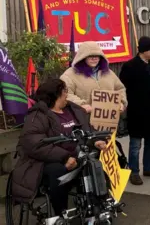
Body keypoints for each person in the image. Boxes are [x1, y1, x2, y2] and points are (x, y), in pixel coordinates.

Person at [11, 79, 107, 215]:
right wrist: (64, 157)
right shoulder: (38, 116)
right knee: (58, 171)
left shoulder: (73, 110)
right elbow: (35, 144)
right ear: (55, 94)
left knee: (95, 162)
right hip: (46, 160)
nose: (67, 94)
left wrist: (96, 140)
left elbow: (88, 130)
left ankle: (99, 206)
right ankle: (61, 214)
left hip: (77, 154)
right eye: (65, 91)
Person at [119, 36, 150, 185]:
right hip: (137, 111)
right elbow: (122, 88)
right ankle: (134, 171)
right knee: (135, 144)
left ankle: (149, 167)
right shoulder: (129, 66)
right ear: (144, 50)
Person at [60, 41, 127, 113]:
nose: (94, 58)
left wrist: (121, 102)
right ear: (82, 57)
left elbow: (120, 88)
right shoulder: (69, 75)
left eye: (97, 55)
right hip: (83, 119)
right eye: (90, 56)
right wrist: (81, 105)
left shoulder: (108, 73)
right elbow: (66, 94)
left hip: (109, 120)